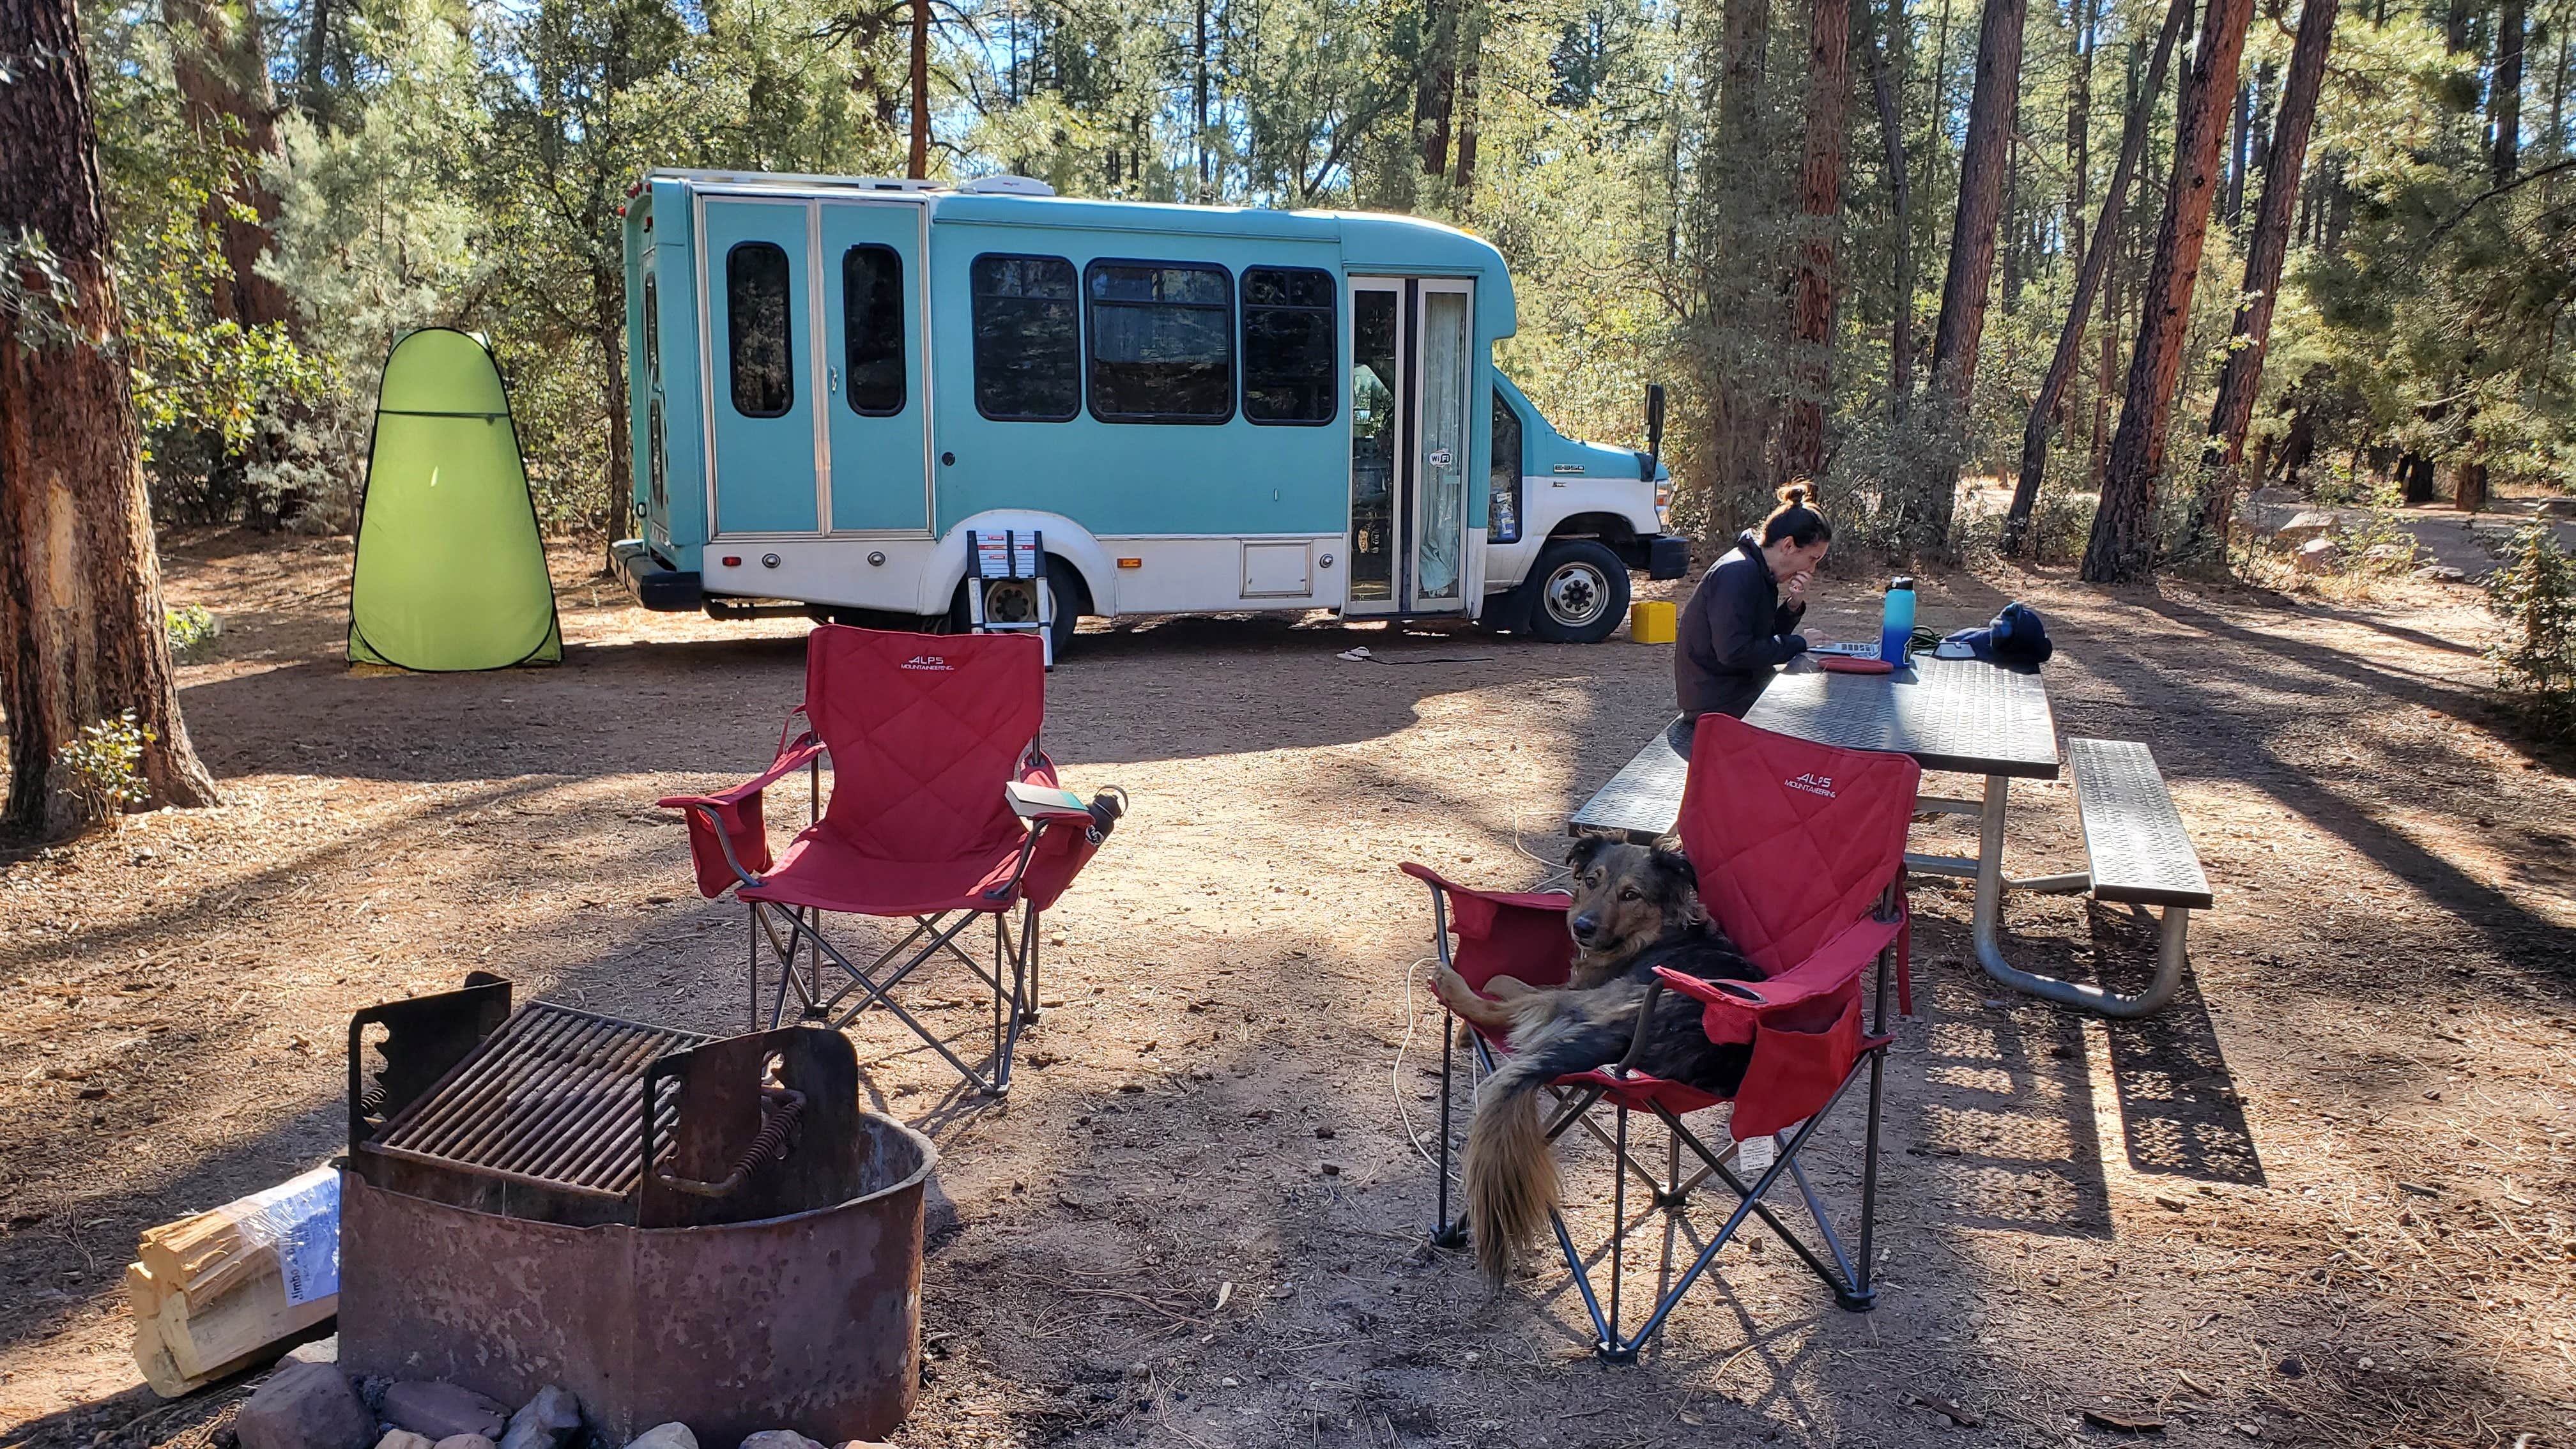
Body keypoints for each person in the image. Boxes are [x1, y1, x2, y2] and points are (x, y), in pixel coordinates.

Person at [1674, 483, 1834, 723]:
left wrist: (1792, 607)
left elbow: (1760, 639)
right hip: (1718, 704)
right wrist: (1798, 643)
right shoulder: (1738, 572)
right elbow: (1736, 652)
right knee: (1817, 718)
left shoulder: (1757, 571)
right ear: (1788, 545)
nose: (1812, 569)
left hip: (1738, 689)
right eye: (1812, 559)